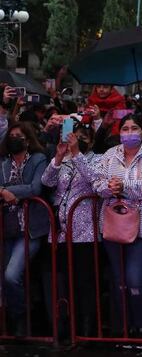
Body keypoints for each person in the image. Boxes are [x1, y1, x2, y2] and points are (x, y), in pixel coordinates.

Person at [92, 114, 142, 346]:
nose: (129, 132)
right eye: (125, 128)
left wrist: (124, 186)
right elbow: (96, 182)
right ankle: (122, 329)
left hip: (141, 228)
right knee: (119, 280)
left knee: (134, 280)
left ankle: (141, 328)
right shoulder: (110, 154)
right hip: (112, 225)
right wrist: (108, 188)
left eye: (134, 128)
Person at [40, 125, 101, 338]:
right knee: (63, 282)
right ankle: (66, 327)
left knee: (84, 282)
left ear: (90, 141)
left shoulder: (97, 159)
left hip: (85, 232)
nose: (77, 139)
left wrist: (77, 154)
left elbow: (95, 181)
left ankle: (86, 330)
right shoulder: (62, 160)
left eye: (83, 137)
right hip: (60, 231)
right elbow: (46, 181)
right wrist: (58, 157)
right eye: (75, 136)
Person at [0, 122, 48, 336]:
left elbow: (35, 188)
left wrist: (7, 192)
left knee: (12, 275)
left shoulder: (38, 159)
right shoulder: (2, 162)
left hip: (31, 228)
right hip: (7, 227)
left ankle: (20, 317)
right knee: (7, 277)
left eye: (19, 135)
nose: (14, 138)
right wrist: (3, 191)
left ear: (28, 140)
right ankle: (16, 319)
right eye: (11, 135)